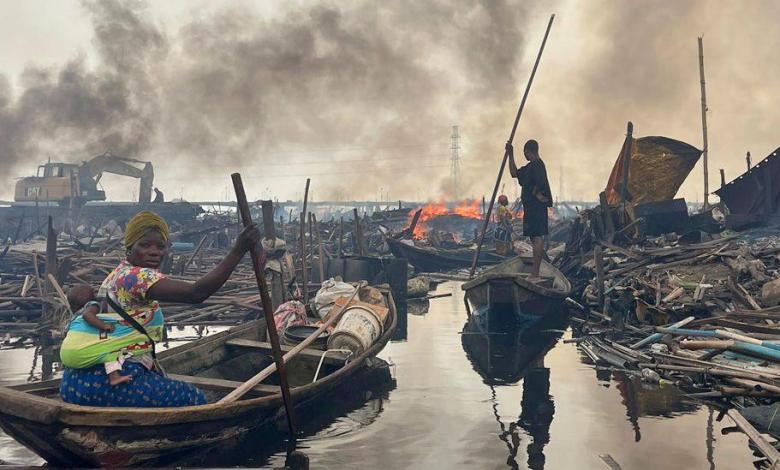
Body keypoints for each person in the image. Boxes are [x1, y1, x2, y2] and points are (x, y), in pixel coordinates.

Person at [59, 210, 261, 407]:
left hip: (74, 383)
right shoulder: (137, 277)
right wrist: (238, 250)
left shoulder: (116, 275)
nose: (154, 251)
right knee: (194, 398)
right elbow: (196, 293)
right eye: (145, 245)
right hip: (106, 382)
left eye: (160, 246)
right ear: (130, 247)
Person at [64, 284, 131, 386]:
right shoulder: (93, 305)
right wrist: (104, 325)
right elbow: (87, 315)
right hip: (87, 343)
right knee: (109, 350)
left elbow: (67, 331)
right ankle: (114, 376)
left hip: (72, 348)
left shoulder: (74, 316)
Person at [508, 139, 552, 277]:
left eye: (525, 153)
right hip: (531, 209)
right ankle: (535, 272)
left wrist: (536, 194)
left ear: (528, 151)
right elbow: (514, 173)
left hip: (536, 208)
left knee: (536, 237)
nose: (525, 155)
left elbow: (541, 184)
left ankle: (535, 273)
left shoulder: (537, 165)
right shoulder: (530, 167)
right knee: (534, 237)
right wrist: (510, 154)